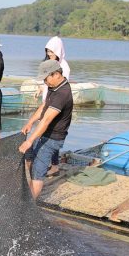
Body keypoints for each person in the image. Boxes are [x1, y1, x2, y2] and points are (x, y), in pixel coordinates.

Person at [19, 60, 73, 200]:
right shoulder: (53, 86)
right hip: (44, 133)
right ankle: (29, 193)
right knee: (30, 159)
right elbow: (44, 106)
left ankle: (28, 207)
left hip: (53, 138)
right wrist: (30, 122)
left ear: (56, 74)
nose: (45, 81)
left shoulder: (63, 93)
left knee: (38, 172)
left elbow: (47, 120)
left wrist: (30, 140)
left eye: (46, 78)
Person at [35, 36, 71, 177]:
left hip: (56, 104)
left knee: (53, 134)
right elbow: (47, 82)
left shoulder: (64, 66)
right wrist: (40, 88)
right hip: (47, 101)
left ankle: (54, 165)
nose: (49, 54)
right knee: (46, 133)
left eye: (52, 51)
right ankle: (50, 162)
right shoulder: (48, 63)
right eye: (48, 51)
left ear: (58, 51)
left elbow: (61, 87)